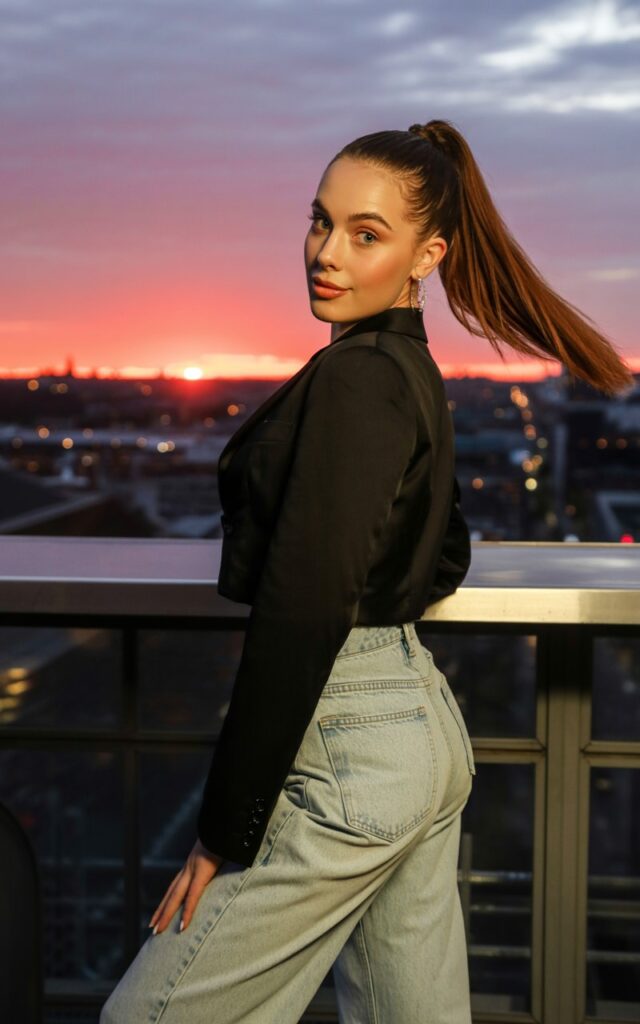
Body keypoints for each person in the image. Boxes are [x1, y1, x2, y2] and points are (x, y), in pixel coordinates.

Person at [100, 119, 633, 1024]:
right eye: (320, 221)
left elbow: (303, 612)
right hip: (416, 729)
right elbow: (446, 550)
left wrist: (221, 835)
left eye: (366, 233)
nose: (326, 252)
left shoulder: (356, 380)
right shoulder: (409, 370)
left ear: (428, 254)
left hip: (350, 749)